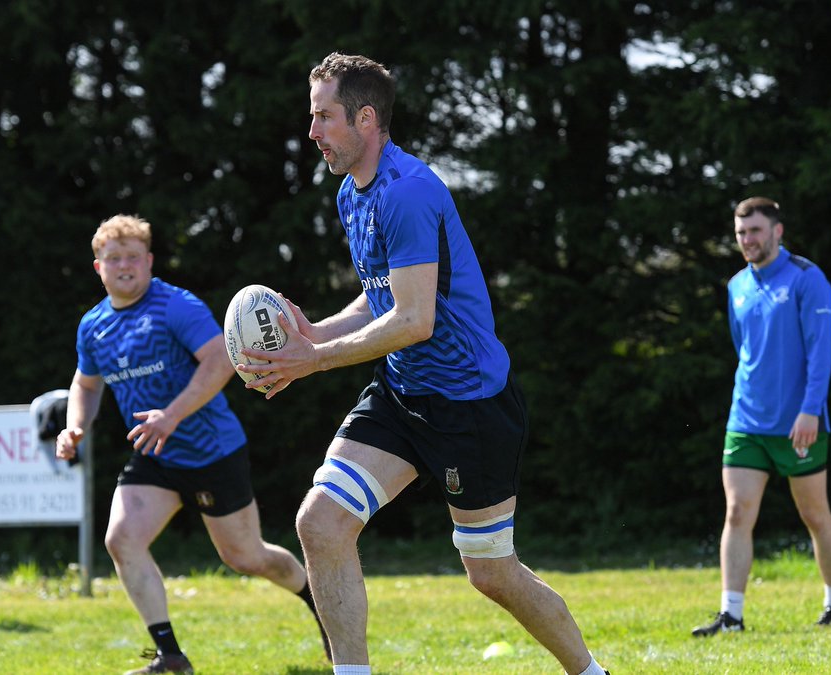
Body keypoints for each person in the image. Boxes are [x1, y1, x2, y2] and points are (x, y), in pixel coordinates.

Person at [236, 52, 608, 675]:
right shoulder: (352, 195)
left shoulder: (409, 192)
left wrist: (313, 359)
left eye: (323, 117)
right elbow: (381, 294)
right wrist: (314, 331)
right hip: (403, 393)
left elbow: (414, 320)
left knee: (490, 572)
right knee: (321, 524)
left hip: (470, 404)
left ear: (365, 118)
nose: (312, 132)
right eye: (312, 117)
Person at [55, 215, 328, 675]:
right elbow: (85, 385)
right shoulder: (93, 326)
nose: (124, 266)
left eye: (133, 257)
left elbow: (221, 359)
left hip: (211, 451)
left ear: (149, 262)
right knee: (121, 539)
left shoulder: (175, 306)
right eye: (113, 258)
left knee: (246, 558)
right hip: (154, 456)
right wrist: (75, 426)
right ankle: (170, 656)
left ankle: (316, 600)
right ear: (97, 267)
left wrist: (171, 416)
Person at [692, 197, 831, 637]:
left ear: (777, 231)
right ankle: (731, 616)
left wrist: (810, 411)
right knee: (737, 513)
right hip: (745, 421)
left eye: (755, 230)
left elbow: (821, 352)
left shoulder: (807, 278)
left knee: (816, 515)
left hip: (800, 422)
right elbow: (743, 350)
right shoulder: (736, 286)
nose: (747, 240)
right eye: (741, 233)